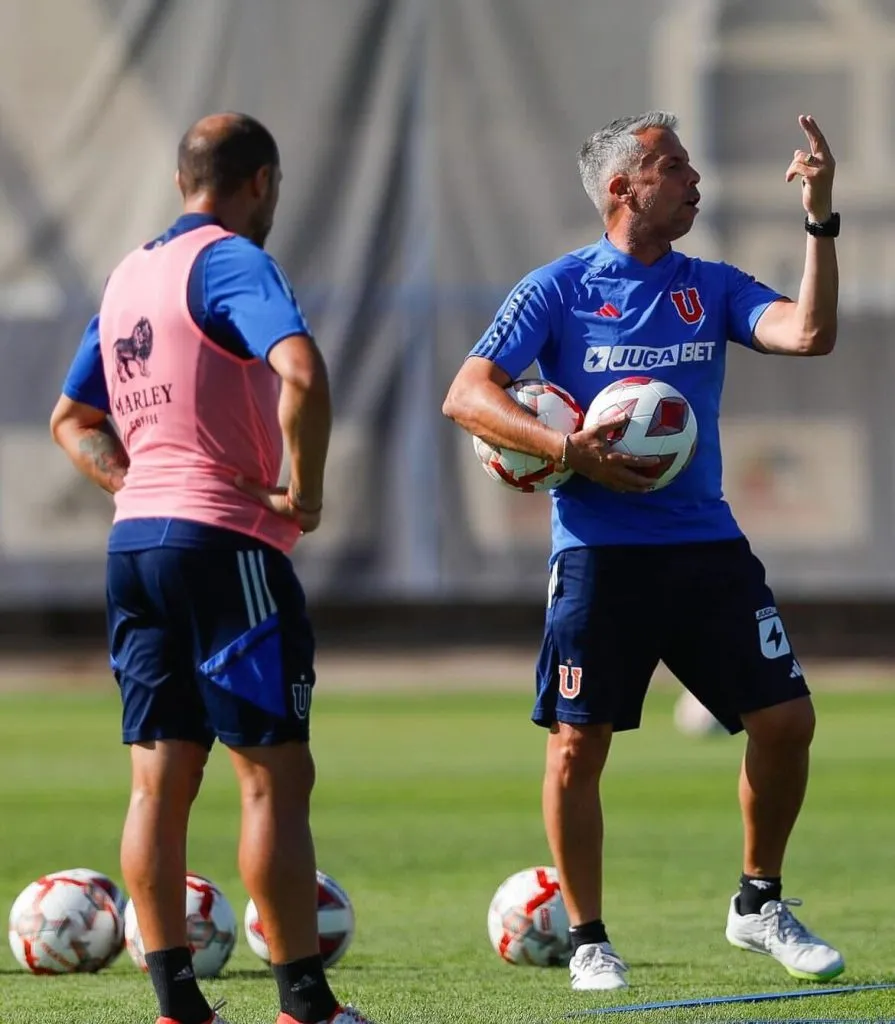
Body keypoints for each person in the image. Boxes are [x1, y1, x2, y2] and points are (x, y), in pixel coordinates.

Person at [443, 111, 842, 992]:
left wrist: (818, 216)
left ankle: (758, 902)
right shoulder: (556, 287)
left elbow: (808, 334)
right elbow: (467, 394)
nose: (693, 178)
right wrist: (566, 451)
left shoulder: (712, 284)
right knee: (576, 748)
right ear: (623, 188)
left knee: (786, 722)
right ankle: (587, 937)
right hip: (597, 554)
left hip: (706, 546)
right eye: (674, 165)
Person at [50, 113, 375, 1024]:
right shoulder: (231, 259)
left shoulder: (126, 276)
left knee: (159, 779)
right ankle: (306, 1006)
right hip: (224, 544)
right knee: (273, 776)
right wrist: (302, 492)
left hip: (135, 546)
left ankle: (176, 1006)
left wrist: (133, 483)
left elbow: (72, 419)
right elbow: (301, 372)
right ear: (261, 183)